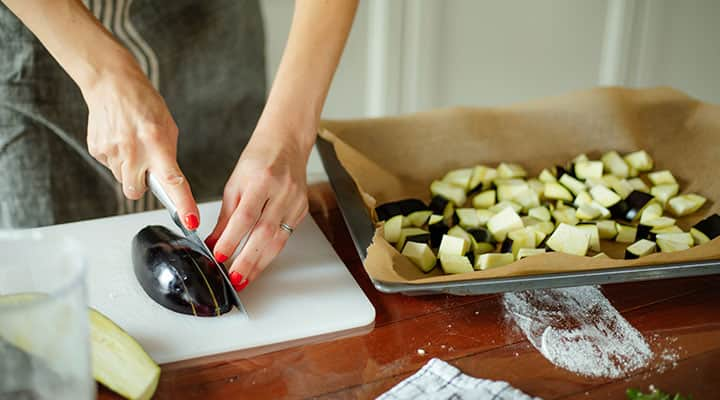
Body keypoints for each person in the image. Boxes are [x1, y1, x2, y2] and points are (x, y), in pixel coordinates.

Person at [0, 0, 358, 291]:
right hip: (41, 38)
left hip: (206, 28)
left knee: (237, 222)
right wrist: (102, 72)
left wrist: (289, 138)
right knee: (47, 283)